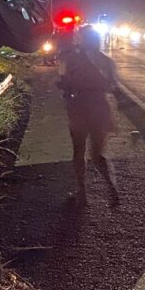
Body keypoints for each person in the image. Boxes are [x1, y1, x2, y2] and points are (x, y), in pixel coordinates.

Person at [57, 24, 119, 206]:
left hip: (79, 108)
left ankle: (82, 192)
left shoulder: (70, 59)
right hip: (100, 108)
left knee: (78, 151)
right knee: (98, 154)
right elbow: (112, 86)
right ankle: (111, 187)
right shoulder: (106, 61)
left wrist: (69, 86)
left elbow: (64, 83)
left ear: (81, 39)